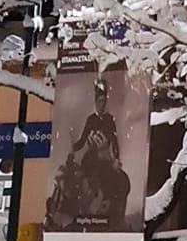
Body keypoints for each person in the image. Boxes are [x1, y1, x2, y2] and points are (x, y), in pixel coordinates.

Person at [46, 63, 131, 230]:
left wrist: (116, 159)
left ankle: (101, 204)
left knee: (107, 178)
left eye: (103, 101)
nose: (102, 104)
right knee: (87, 175)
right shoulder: (91, 119)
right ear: (95, 103)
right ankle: (90, 203)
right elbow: (83, 139)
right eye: (99, 101)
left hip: (105, 157)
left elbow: (114, 141)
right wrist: (74, 148)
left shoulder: (109, 119)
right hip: (92, 158)